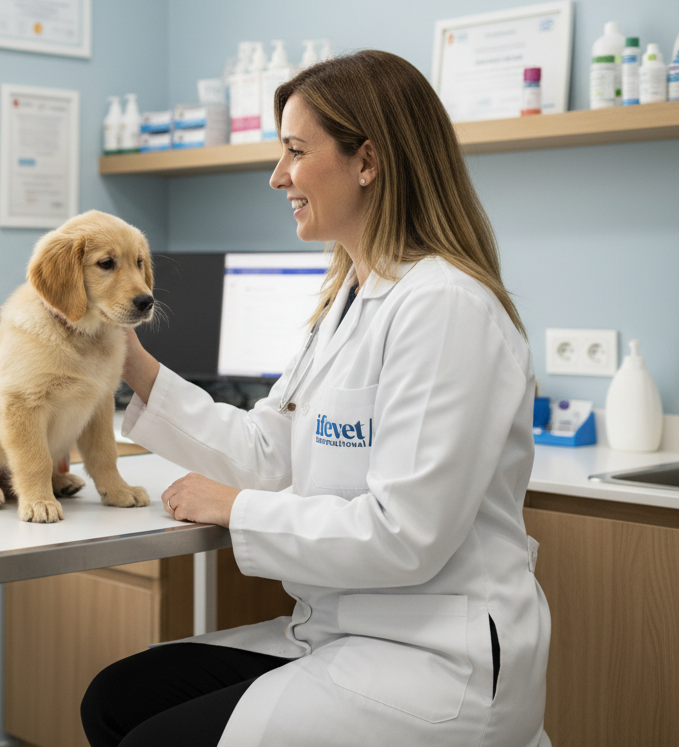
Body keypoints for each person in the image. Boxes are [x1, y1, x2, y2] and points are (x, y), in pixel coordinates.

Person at [81, 50, 550, 747]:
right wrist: (133, 364)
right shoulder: (349, 299)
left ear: (368, 160)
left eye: (296, 152)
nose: (278, 177)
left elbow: (405, 535)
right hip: (341, 630)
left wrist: (235, 508)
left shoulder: (446, 306)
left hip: (434, 656)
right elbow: (271, 449)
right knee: (116, 700)